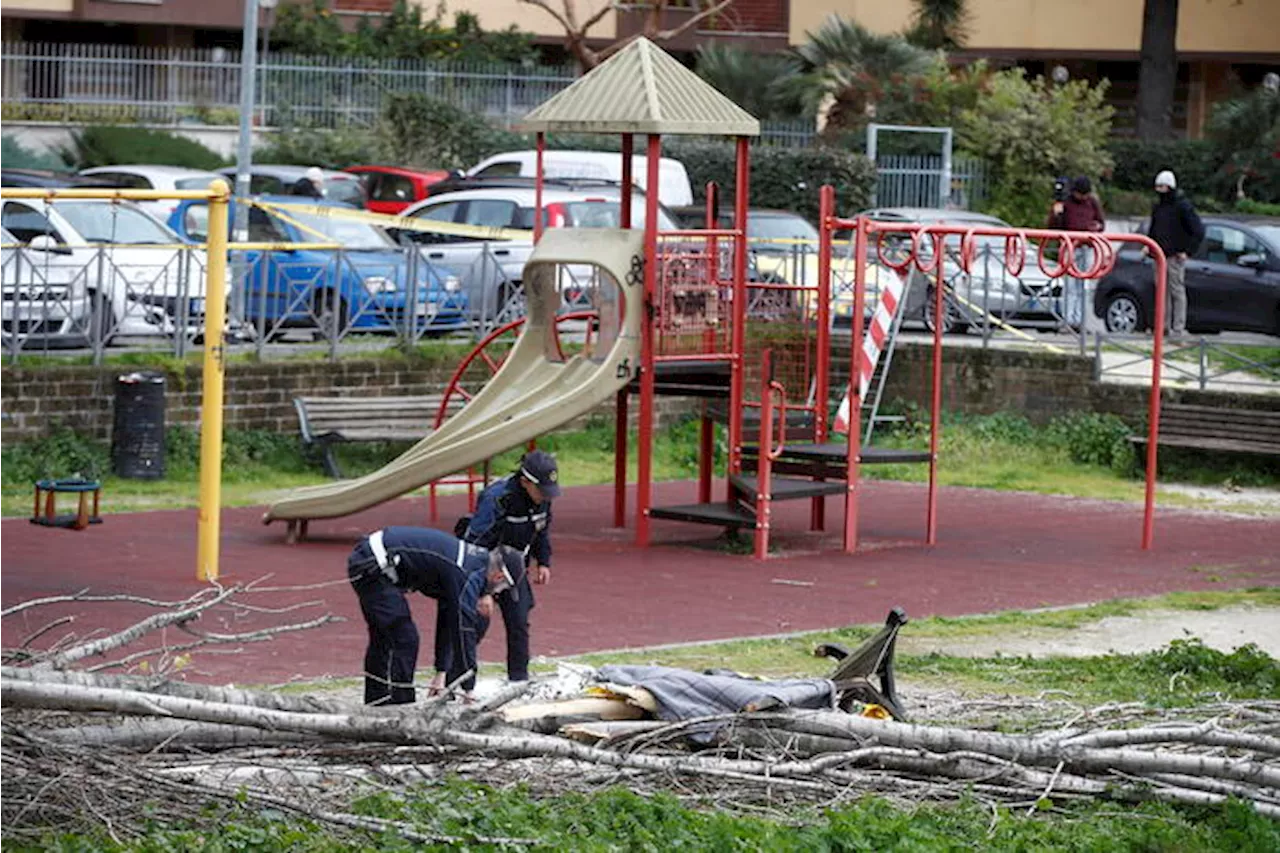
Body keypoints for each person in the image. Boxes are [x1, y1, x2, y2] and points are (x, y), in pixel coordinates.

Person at [346, 525, 524, 705]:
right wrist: (468, 688)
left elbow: (448, 617)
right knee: (404, 638)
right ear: (499, 576)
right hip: (373, 564)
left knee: (384, 636)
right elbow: (464, 631)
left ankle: (377, 702)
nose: (498, 594)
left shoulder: (475, 563)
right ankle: (401, 706)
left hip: (372, 557)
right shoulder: (466, 576)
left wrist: (441, 672)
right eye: (503, 589)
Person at [436, 449, 560, 687]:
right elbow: (475, 543)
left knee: (519, 621)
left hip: (515, 567)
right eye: (542, 491)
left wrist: (543, 561)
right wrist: (484, 590)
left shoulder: (544, 499)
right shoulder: (497, 498)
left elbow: (541, 530)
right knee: (475, 624)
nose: (546, 497)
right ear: (525, 482)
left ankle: (518, 681)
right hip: (485, 563)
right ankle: (453, 683)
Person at [1148, 170, 1205, 339]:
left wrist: (1187, 251)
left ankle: (1178, 328)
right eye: (1157, 187)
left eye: (1162, 187)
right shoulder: (1158, 207)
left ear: (1170, 187)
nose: (1159, 191)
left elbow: (1198, 230)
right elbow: (1154, 229)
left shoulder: (1183, 206)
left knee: (1176, 292)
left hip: (1174, 256)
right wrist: (1149, 246)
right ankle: (1162, 327)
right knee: (1161, 293)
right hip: (1159, 256)